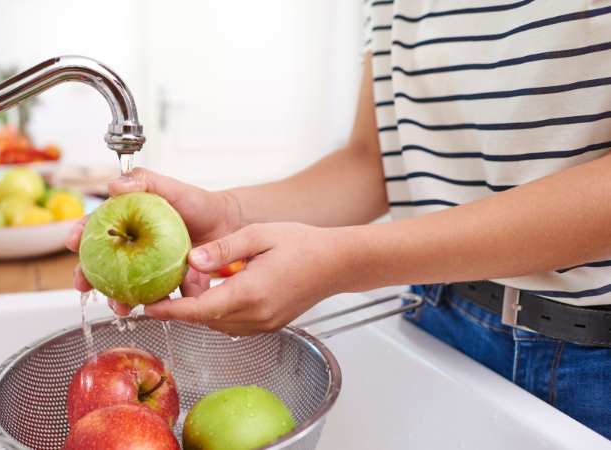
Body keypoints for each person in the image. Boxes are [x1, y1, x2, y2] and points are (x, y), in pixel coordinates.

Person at [68, 0, 611, 439]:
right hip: (436, 316)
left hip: (587, 364)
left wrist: (348, 261)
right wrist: (228, 214)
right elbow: (372, 162)